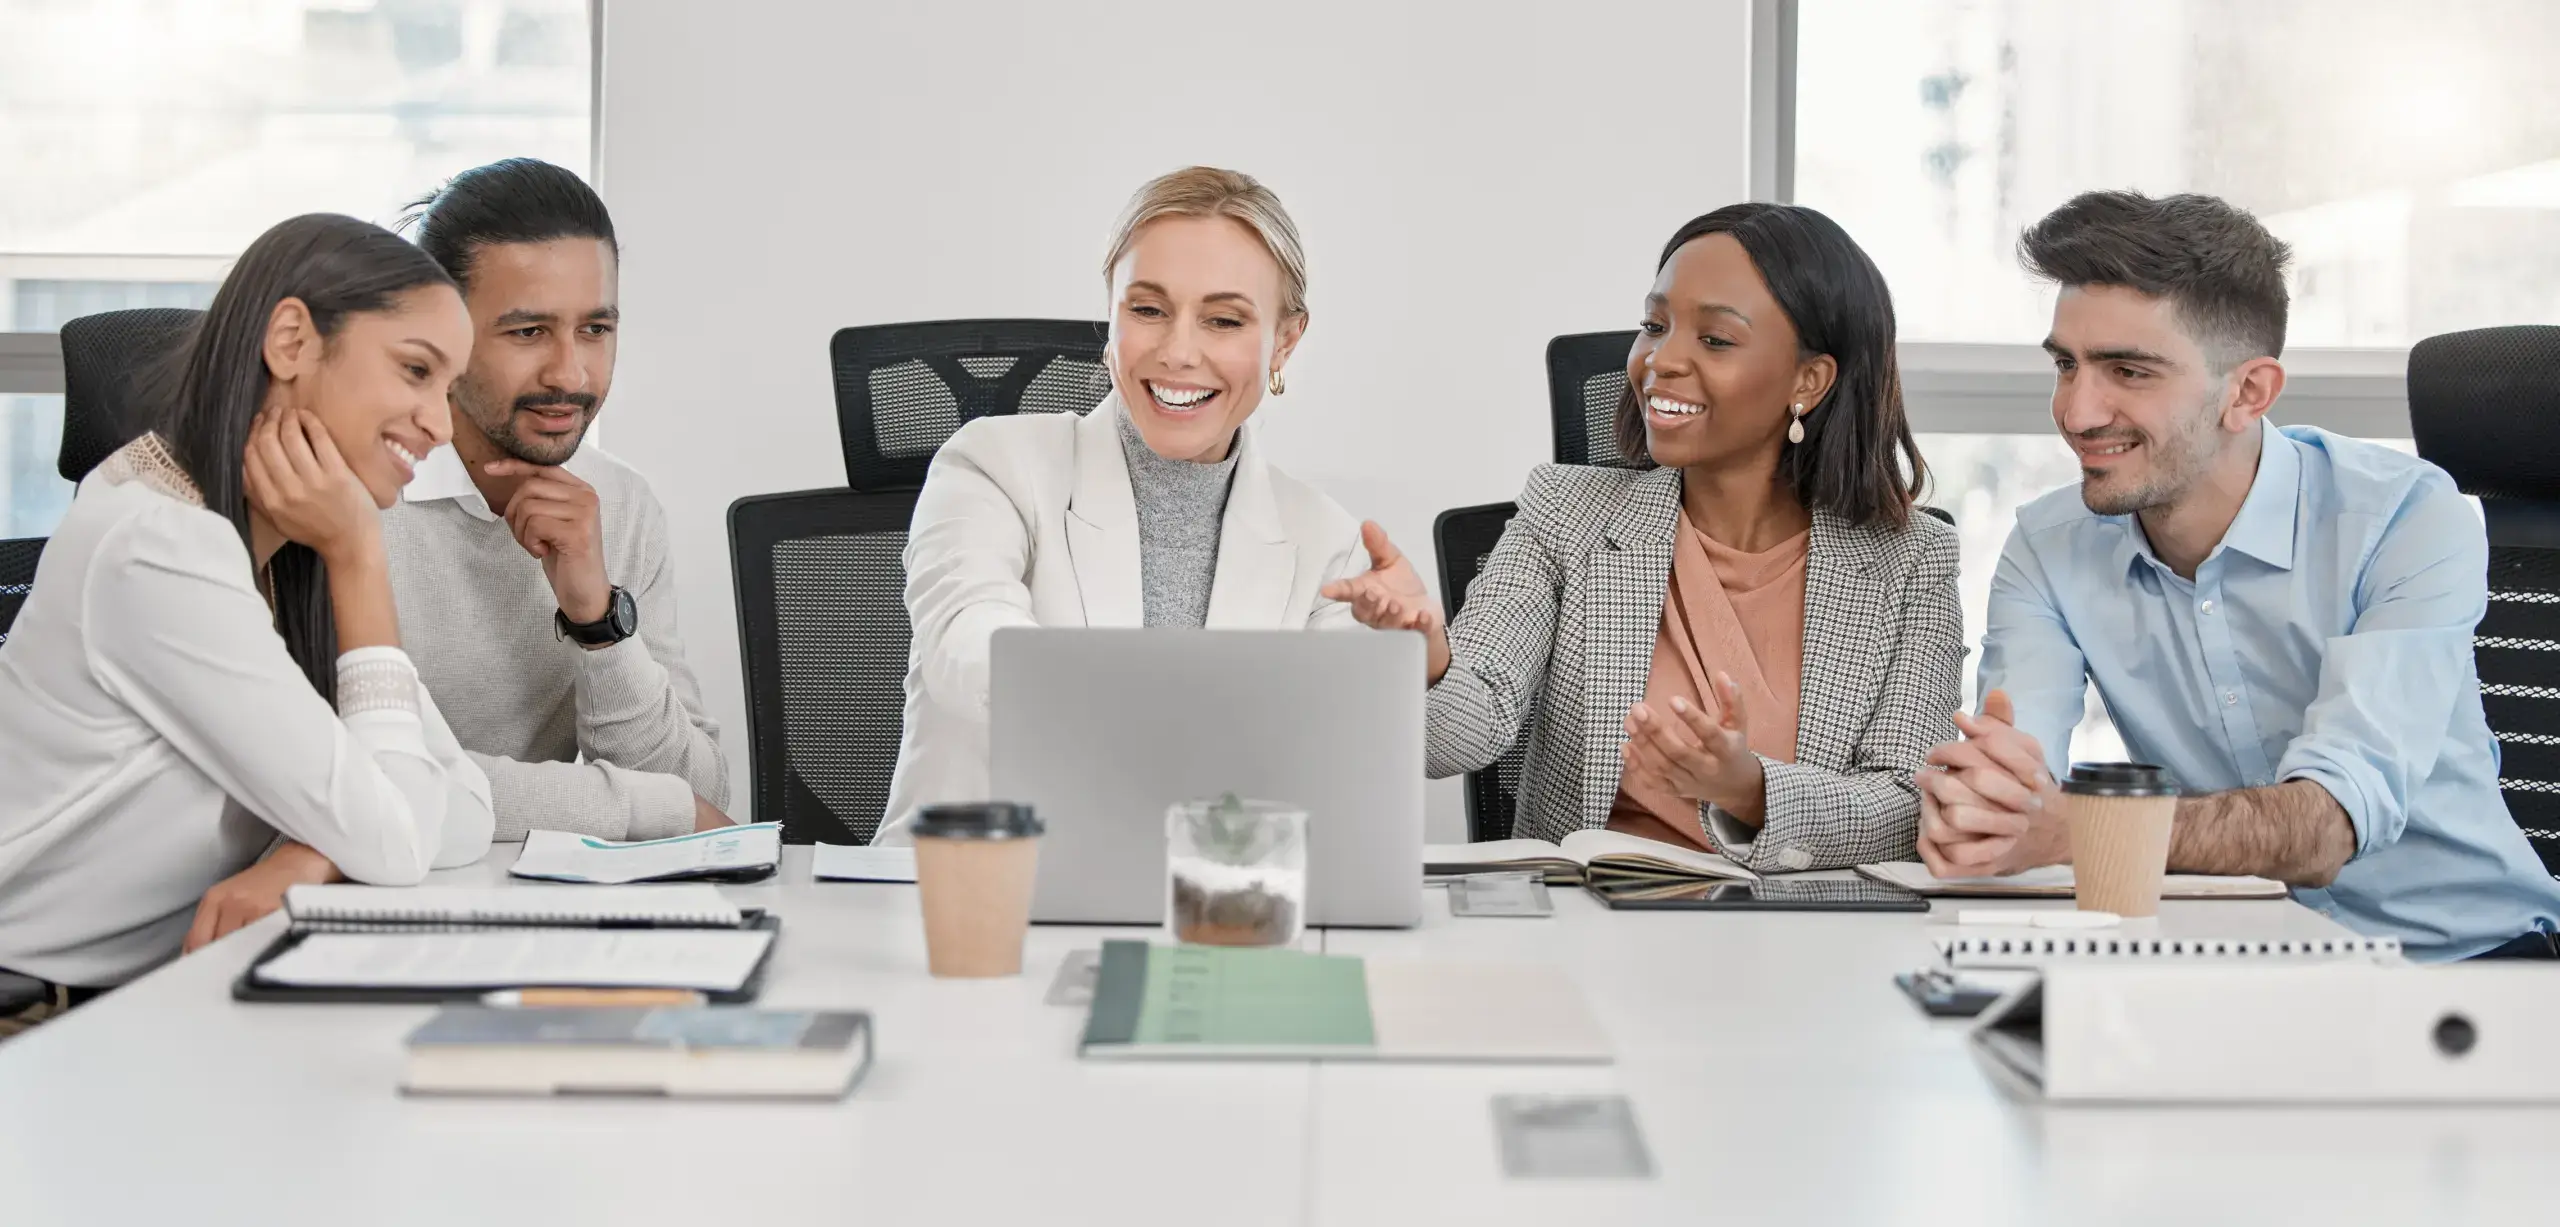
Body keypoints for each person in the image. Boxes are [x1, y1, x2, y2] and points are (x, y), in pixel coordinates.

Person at [1917, 190, 2560, 961]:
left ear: (2248, 393)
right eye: (2066, 364)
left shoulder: (2405, 518)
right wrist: (1981, 806)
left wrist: (2078, 829)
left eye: (2128, 370)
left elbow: (2326, 825)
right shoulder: (2048, 546)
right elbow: (2019, 789)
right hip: (2237, 958)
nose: (2077, 413)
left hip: (2467, 966)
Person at [1329, 204, 1964, 870]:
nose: (1661, 359)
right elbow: (1460, 732)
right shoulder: (1566, 513)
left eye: (1715, 339)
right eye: (1654, 326)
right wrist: (1429, 656)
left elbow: (1908, 809)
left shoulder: (1914, 560)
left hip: (1796, 921)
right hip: (1588, 914)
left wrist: (1749, 790)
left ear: (1809, 380)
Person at [0, 214, 496, 1032]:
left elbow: (467, 805)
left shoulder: (278, 548)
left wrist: (312, 851)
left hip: (148, 1001)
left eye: (448, 389)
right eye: (416, 370)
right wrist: (359, 559)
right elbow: (401, 842)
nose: (442, 426)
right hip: (33, 1024)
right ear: (291, 341)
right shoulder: (158, 548)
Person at [876, 166, 1383, 843]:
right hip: (976, 891)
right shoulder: (991, 466)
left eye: (1224, 320)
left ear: (1284, 341)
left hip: (1217, 896)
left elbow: (1335, 772)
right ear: (1112, 314)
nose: (1178, 352)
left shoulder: (1330, 545)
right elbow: (970, 641)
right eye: (1147, 310)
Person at [381, 157, 730, 842]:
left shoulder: (620, 504)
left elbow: (697, 800)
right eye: (528, 332)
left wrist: (598, 619)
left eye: (595, 330)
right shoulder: (354, 492)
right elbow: (361, 775)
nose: (570, 374)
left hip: (518, 892)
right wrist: (625, 809)